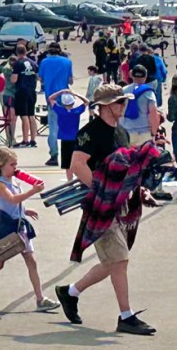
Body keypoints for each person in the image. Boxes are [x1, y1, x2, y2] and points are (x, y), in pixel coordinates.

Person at [55, 84, 159, 335]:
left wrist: (139, 190)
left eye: (124, 102)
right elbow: (77, 164)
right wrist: (101, 192)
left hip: (120, 204)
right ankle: (126, 316)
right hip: (100, 207)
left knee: (111, 261)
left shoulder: (121, 132)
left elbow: (126, 169)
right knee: (119, 259)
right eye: (120, 102)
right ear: (106, 106)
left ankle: (70, 293)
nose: (124, 106)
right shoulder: (89, 133)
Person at [0, 148, 61, 312]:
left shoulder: (13, 180)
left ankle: (40, 299)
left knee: (31, 260)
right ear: (1, 165)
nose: (15, 168)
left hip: (19, 224)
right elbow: (12, 199)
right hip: (9, 227)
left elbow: (15, 204)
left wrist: (25, 211)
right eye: (12, 164)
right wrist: (33, 191)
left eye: (16, 164)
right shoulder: (0, 184)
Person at [37, 42, 73, 166]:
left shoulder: (45, 62)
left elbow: (40, 78)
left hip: (51, 97)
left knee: (53, 128)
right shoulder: (67, 62)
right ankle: (68, 153)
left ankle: (54, 154)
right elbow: (70, 80)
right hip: (65, 97)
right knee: (67, 126)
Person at [47, 90, 88, 182]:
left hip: (65, 140)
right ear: (73, 102)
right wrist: (76, 93)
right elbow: (86, 102)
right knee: (75, 160)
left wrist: (61, 92)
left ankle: (70, 180)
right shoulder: (76, 111)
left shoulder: (60, 111)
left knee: (67, 162)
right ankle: (79, 178)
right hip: (75, 139)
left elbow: (50, 98)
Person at [120, 65, 158, 146]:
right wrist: (154, 133)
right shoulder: (149, 93)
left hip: (126, 132)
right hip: (143, 132)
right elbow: (153, 113)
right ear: (145, 76)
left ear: (131, 75)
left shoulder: (123, 91)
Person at [11, 45, 38, 148]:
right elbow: (37, 77)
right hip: (32, 90)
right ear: (26, 51)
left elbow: (14, 79)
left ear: (17, 53)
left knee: (24, 116)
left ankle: (25, 139)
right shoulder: (33, 63)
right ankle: (33, 139)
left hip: (22, 91)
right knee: (31, 115)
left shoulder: (18, 64)